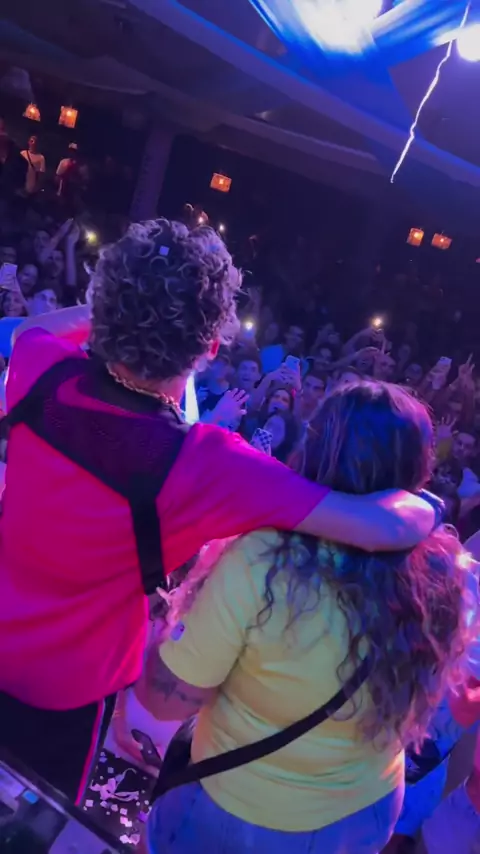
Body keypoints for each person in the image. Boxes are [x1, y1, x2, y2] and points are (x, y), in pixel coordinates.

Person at [0, 220, 435, 804]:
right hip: (67, 696)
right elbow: (383, 526)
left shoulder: (37, 367)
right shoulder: (208, 465)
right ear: (210, 348)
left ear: (103, 309)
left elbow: (31, 329)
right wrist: (429, 505)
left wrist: (122, 303)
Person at [139, 381, 473, 854]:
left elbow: (163, 701)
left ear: (315, 448)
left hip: (242, 813)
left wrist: (177, 613)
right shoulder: (446, 572)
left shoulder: (264, 559)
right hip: (363, 813)